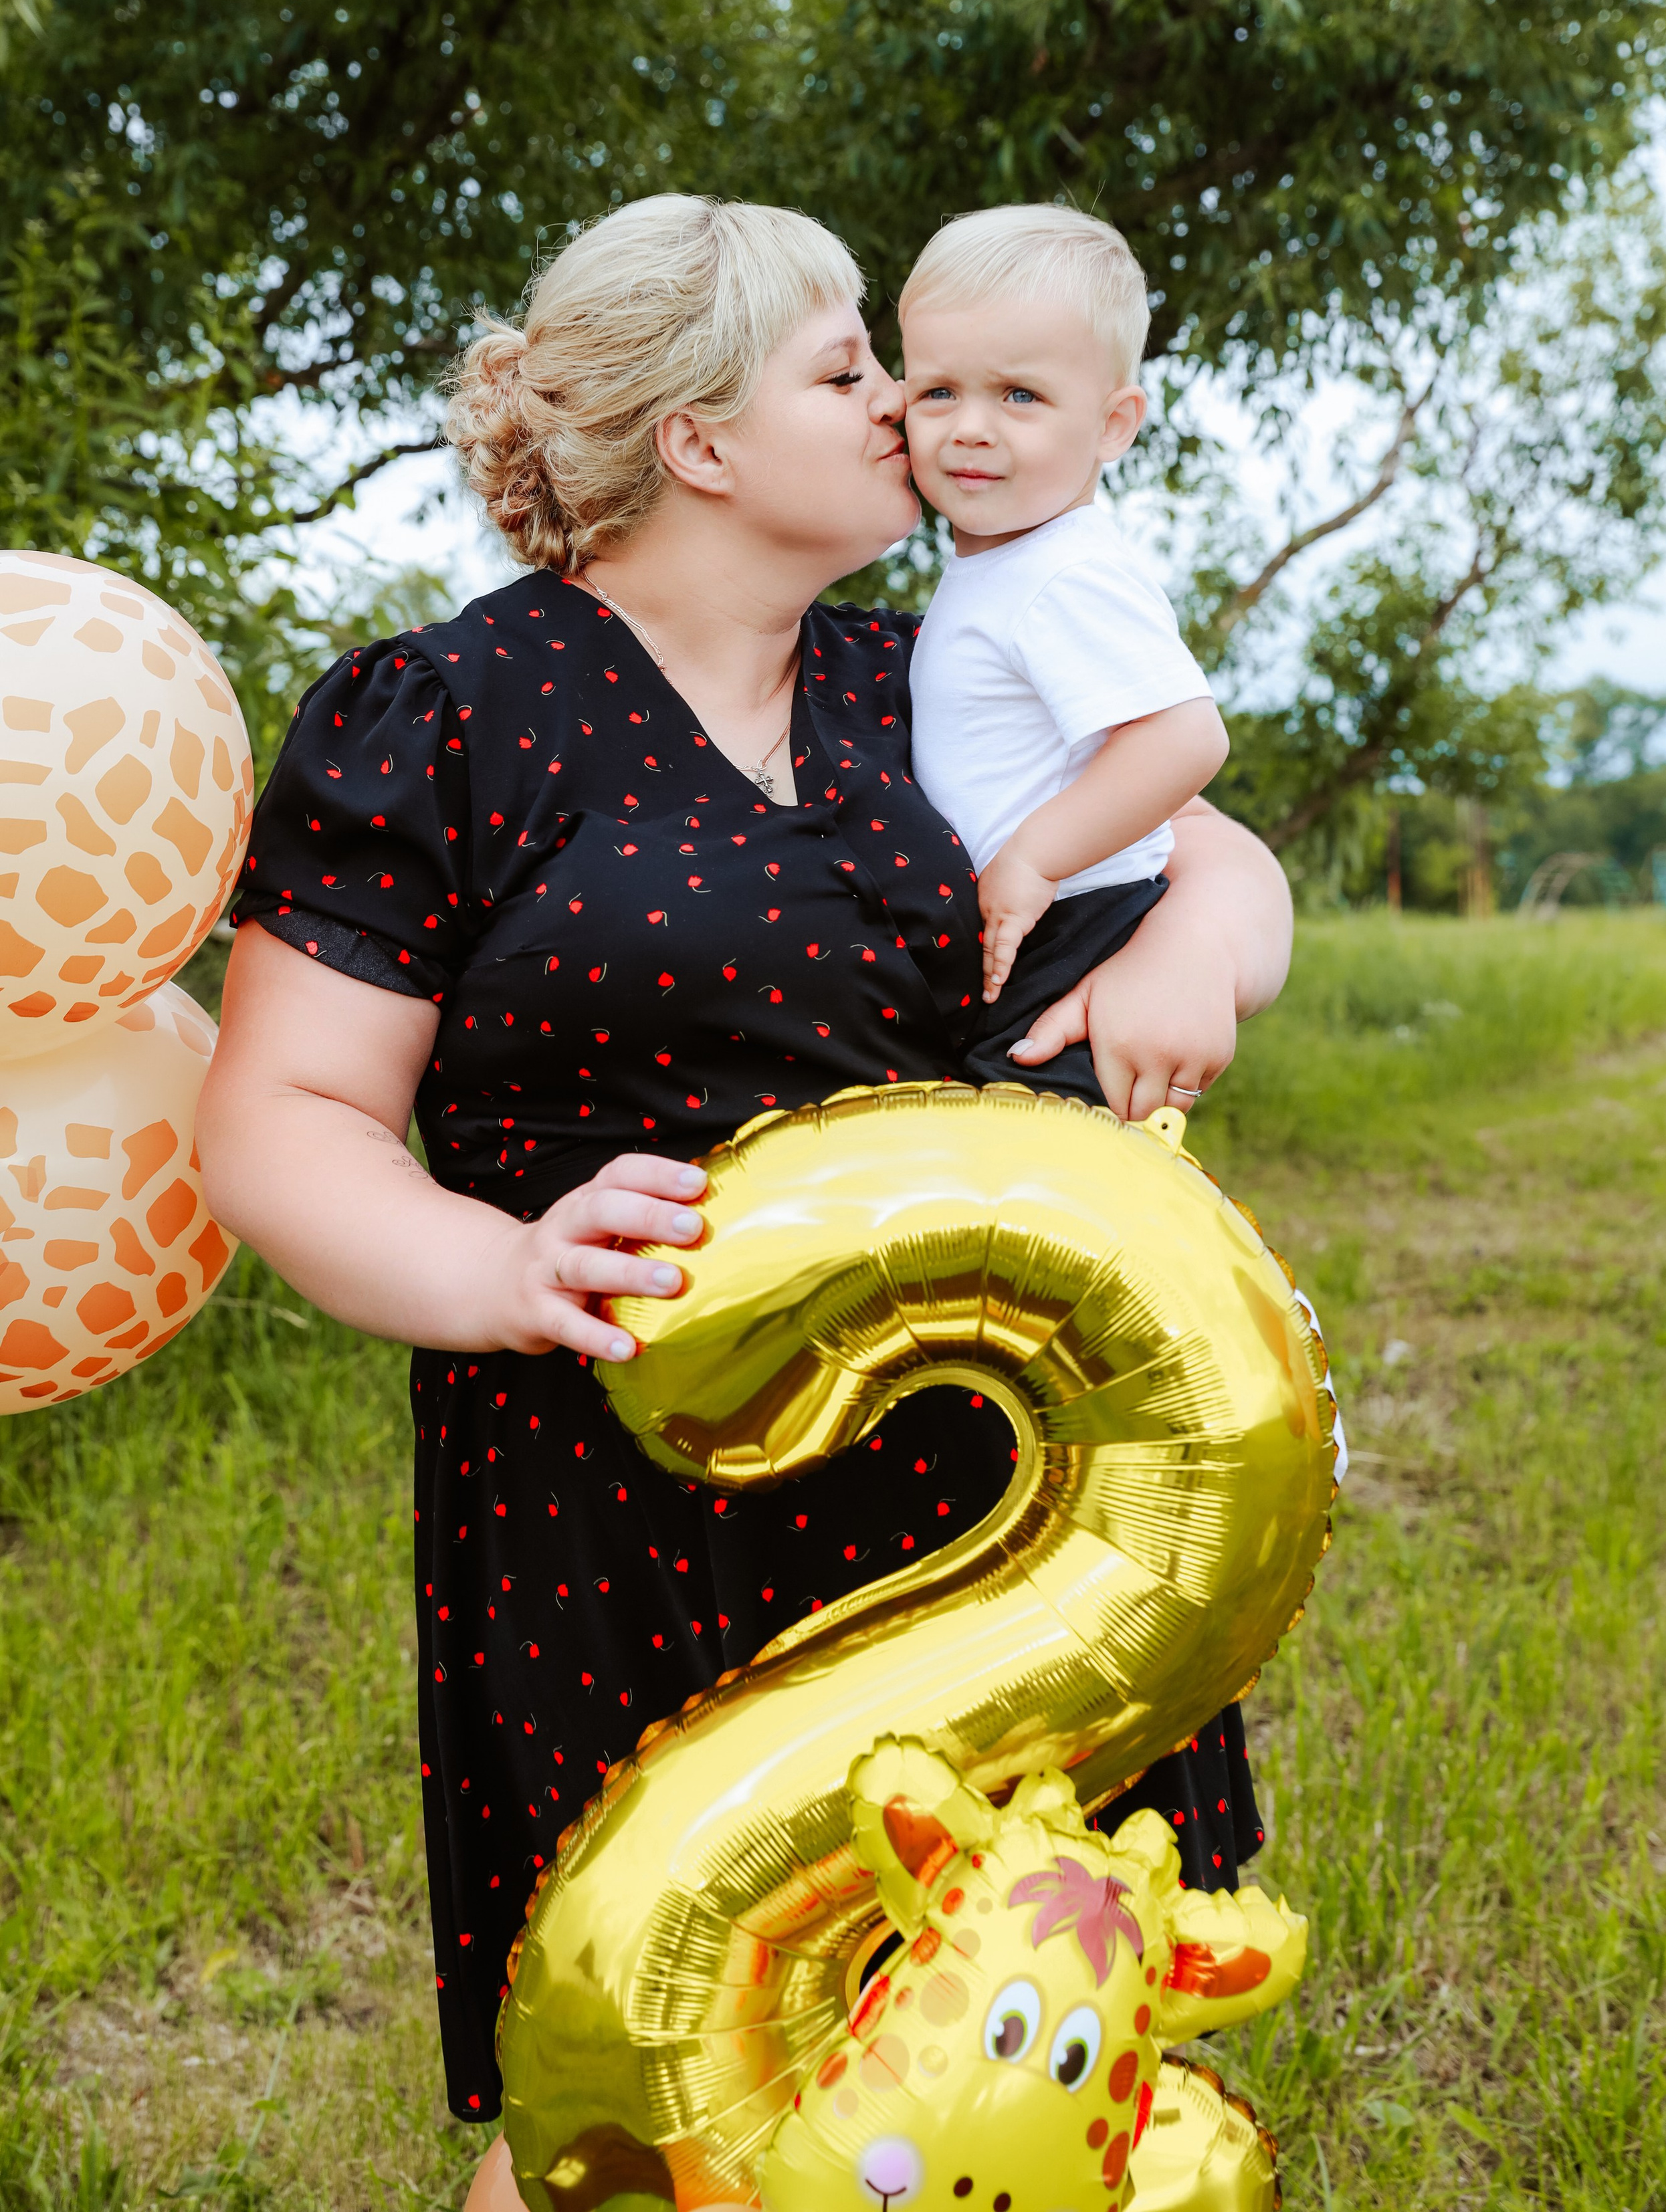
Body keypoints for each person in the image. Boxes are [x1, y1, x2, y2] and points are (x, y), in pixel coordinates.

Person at [196, 195, 1293, 2212]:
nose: (906, 408)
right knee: (641, 2096)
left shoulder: (927, 674)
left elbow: (1210, 849)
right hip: (628, 1502)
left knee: (1026, 2086)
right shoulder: (448, 717)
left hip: (999, 1515)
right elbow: (278, 1120)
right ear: (702, 441)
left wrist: (1194, 951)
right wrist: (503, 1263)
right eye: (851, 365)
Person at [904, 203, 1227, 1108]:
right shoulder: (1007, 559)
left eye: (1020, 396)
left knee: (1037, 1186)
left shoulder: (1064, 571)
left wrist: (1036, 858)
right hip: (1038, 926)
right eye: (937, 391)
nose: (969, 427)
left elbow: (1185, 739)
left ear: (1115, 425)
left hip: (1074, 929)